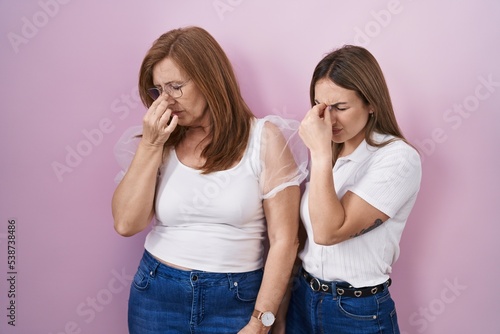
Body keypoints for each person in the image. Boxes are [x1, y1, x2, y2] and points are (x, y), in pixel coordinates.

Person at [111, 26, 307, 334]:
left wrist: (261, 320)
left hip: (235, 298)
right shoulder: (159, 143)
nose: (166, 100)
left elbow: (285, 240)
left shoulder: (263, 139)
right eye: (158, 91)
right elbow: (126, 224)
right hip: (156, 295)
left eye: (176, 86)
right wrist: (150, 145)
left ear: (209, 79)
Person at [285, 45, 422, 333]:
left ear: (371, 103)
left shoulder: (397, 158)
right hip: (304, 297)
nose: (329, 119)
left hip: (355, 312)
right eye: (321, 106)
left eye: (341, 107)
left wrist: (320, 153)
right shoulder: (332, 154)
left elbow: (327, 232)